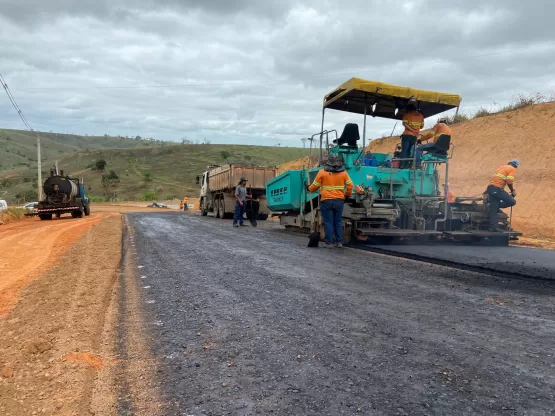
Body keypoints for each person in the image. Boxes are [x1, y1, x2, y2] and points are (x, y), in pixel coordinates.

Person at [308, 154, 353, 248]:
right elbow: (350, 185)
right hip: (339, 201)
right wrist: (347, 195)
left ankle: (329, 243)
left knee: (328, 222)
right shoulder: (343, 173)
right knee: (338, 221)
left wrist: (309, 188)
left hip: (326, 200)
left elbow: (314, 186)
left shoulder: (322, 172)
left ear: (328, 163)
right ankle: (339, 242)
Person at [486, 160, 519, 231]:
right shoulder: (512, 169)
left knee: (493, 210)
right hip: (497, 189)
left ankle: (493, 227)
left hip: (490, 188)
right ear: (516, 166)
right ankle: (493, 205)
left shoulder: (500, 168)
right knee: (512, 202)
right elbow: (509, 181)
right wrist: (512, 190)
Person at [400, 98, 424, 168]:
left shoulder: (406, 115)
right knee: (411, 151)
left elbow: (404, 124)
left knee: (404, 150)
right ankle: (409, 165)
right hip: (414, 136)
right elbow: (422, 126)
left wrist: (412, 130)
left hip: (407, 135)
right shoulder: (421, 116)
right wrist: (415, 130)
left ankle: (402, 165)